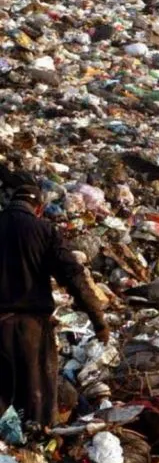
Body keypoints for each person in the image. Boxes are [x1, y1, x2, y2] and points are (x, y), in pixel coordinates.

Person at [0, 177, 109, 426]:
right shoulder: (44, 231)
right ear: (38, 208)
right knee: (36, 397)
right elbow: (73, 275)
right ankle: (36, 447)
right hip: (31, 329)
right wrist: (98, 320)